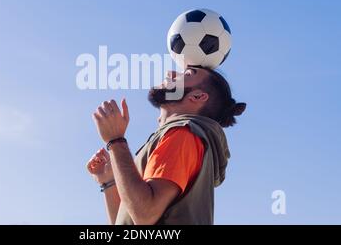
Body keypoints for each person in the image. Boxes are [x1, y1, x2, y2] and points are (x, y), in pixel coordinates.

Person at [86, 66, 246, 225]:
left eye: (187, 74)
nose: (171, 73)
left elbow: (145, 214)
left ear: (197, 96)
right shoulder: (178, 135)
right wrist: (108, 182)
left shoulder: (183, 134)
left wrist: (116, 141)